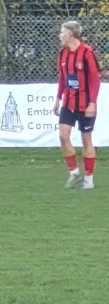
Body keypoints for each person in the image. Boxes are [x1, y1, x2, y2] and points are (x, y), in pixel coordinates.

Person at [53, 20, 101, 189]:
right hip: (68, 103)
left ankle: (88, 178)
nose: (59, 35)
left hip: (86, 104)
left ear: (70, 34)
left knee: (86, 139)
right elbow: (63, 78)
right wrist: (58, 98)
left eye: (62, 32)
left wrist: (92, 103)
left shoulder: (86, 52)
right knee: (63, 136)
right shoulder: (63, 54)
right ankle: (74, 172)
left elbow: (95, 79)